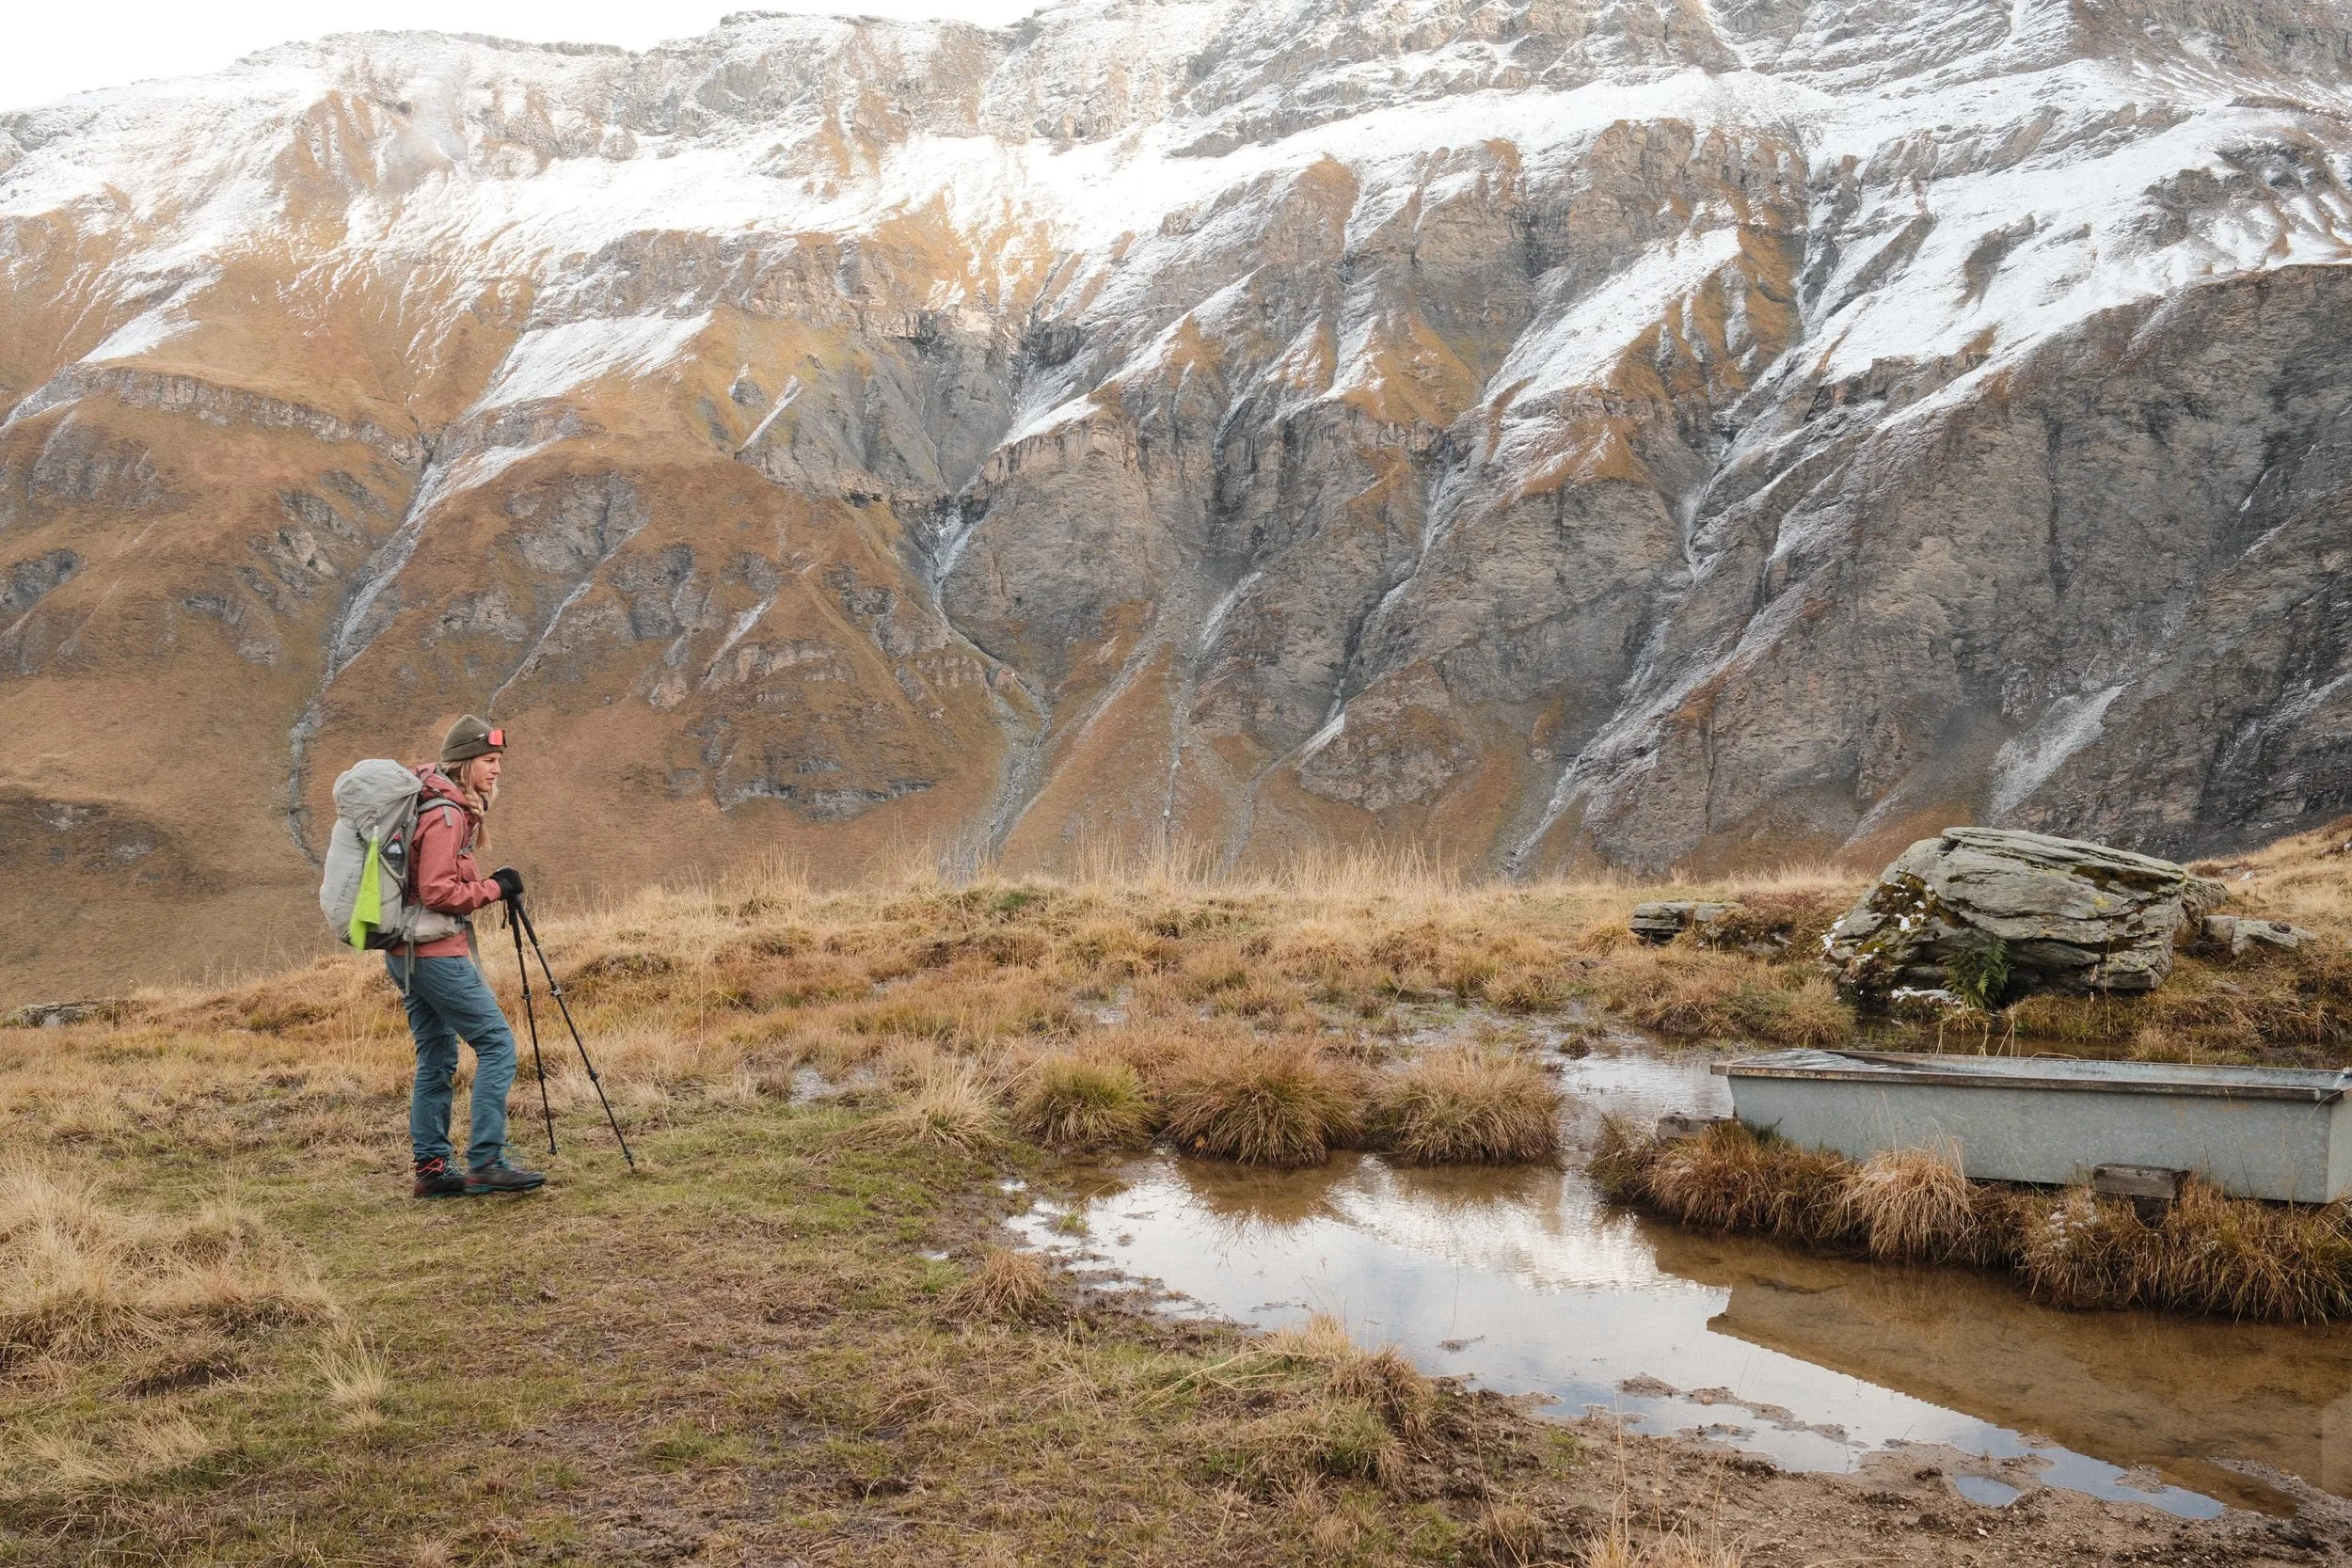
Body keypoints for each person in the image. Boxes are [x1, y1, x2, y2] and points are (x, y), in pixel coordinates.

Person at [393, 714, 544, 1198]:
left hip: (404, 951)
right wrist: (494, 888)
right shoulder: (447, 813)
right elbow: (438, 890)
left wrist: (483, 883)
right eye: (490, 760)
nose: (497, 770)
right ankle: (486, 1161)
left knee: (436, 1055)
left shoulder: (428, 803)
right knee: (498, 1044)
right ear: (464, 764)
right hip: (435, 952)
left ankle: (433, 1169)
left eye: (498, 761)